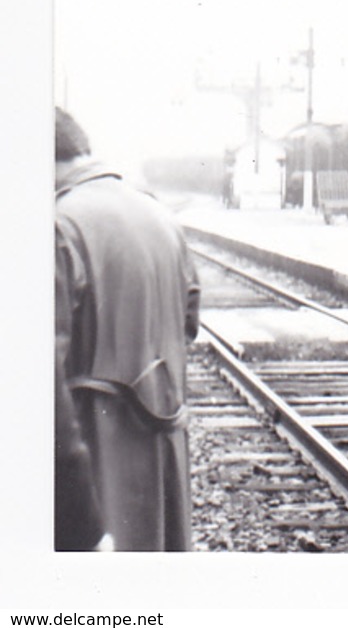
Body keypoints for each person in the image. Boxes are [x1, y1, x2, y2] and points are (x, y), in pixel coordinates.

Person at [54, 108, 201, 551]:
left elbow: (39, 375)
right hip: (163, 453)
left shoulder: (57, 223)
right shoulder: (160, 216)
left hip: (96, 471)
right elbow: (188, 323)